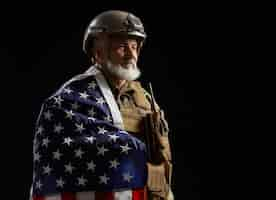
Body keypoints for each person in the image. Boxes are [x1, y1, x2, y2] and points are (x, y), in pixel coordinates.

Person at [30, 10, 174, 200]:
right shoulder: (71, 99)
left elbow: (161, 155)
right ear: (98, 52)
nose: (131, 54)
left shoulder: (144, 98)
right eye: (122, 47)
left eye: (134, 46)